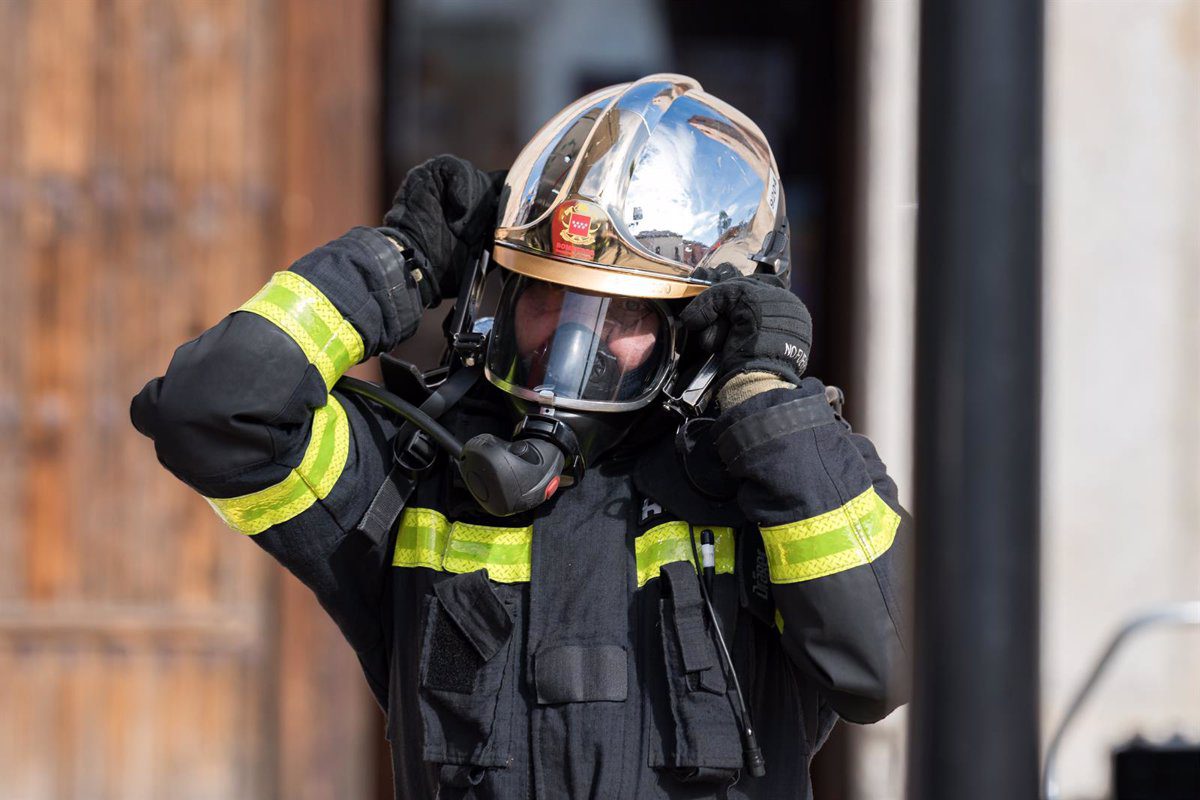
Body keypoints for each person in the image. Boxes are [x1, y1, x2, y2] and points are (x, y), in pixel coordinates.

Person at [131, 74, 911, 799]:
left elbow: (880, 665)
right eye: (548, 301)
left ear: (701, 325)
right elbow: (210, 412)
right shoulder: (420, 474)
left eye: (624, 315)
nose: (570, 346)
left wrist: (766, 400)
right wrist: (395, 264)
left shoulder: (769, 488)